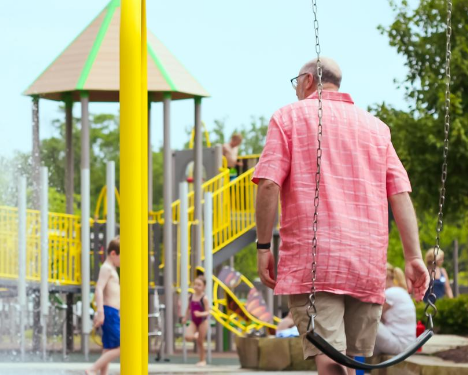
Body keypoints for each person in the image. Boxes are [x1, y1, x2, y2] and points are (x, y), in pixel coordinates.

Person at [253, 57, 429, 375]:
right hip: (367, 262)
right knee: (349, 359)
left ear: (307, 80)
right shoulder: (376, 129)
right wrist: (413, 256)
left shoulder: (288, 117)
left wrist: (263, 246)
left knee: (329, 357)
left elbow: (267, 184)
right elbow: (400, 193)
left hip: (317, 261)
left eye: (296, 82)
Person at [86, 237, 121, 375]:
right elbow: (99, 289)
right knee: (123, 346)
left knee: (108, 347)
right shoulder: (107, 269)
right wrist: (100, 312)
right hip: (109, 312)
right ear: (113, 253)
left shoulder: (111, 268)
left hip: (112, 311)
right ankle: (92, 369)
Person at [373, 265, 416, 356]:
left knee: (368, 318)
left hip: (399, 344)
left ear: (386, 277)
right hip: (407, 344)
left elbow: (375, 315)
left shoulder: (390, 293)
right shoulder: (399, 291)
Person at [182, 275, 211, 366]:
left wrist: (200, 314)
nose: (196, 287)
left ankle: (202, 360)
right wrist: (185, 317)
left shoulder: (204, 298)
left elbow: (208, 312)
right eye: (195, 284)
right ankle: (195, 335)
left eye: (199, 285)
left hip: (202, 321)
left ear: (204, 287)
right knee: (187, 337)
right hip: (194, 321)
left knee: (200, 342)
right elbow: (188, 308)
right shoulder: (191, 297)